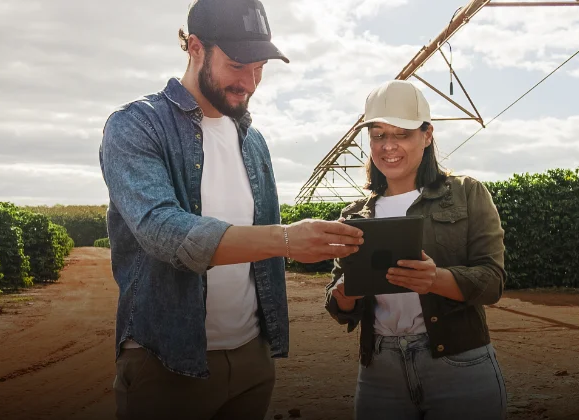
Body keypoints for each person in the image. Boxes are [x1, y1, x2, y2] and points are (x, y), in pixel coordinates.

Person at [98, 0, 364, 418]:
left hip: (252, 360)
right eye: (238, 65)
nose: (250, 82)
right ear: (196, 47)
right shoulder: (136, 125)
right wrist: (288, 240)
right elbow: (163, 231)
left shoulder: (252, 140)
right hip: (168, 362)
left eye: (260, 68)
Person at [324, 79, 509, 419]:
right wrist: (344, 294)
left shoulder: (467, 193)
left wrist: (435, 279)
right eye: (378, 135)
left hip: (458, 364)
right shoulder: (354, 216)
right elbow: (339, 306)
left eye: (402, 134)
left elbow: (492, 281)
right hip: (380, 369)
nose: (388, 146)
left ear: (427, 135)